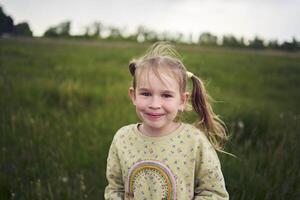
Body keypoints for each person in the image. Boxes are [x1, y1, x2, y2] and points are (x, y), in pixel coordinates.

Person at [104, 42, 234, 200]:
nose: (154, 104)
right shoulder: (122, 138)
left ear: (182, 100)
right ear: (133, 96)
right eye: (145, 94)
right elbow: (115, 188)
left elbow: (214, 193)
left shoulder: (194, 141)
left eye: (166, 95)